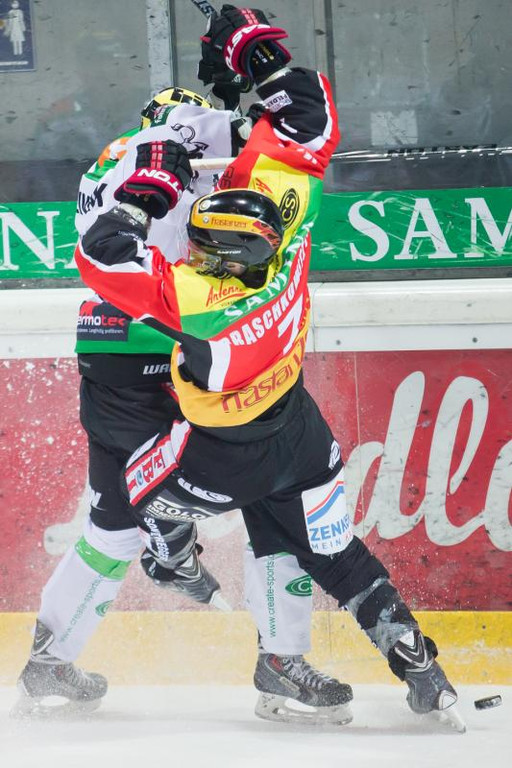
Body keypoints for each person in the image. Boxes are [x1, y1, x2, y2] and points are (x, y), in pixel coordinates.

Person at [71, 5, 465, 731]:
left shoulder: (196, 301)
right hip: (300, 431)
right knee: (326, 547)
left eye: (200, 240)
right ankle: (413, 663)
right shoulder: (291, 236)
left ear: (213, 255)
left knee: (138, 494)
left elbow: (102, 257)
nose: (192, 241)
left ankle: (171, 553)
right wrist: (258, 58)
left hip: (221, 454)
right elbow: (310, 122)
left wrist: (145, 196)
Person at [15, 82, 352, 725]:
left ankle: (53, 659)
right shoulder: (154, 159)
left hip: (111, 356)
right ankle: (280, 658)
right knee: (272, 497)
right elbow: (127, 250)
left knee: (114, 523)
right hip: (184, 354)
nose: (210, 134)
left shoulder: (111, 160)